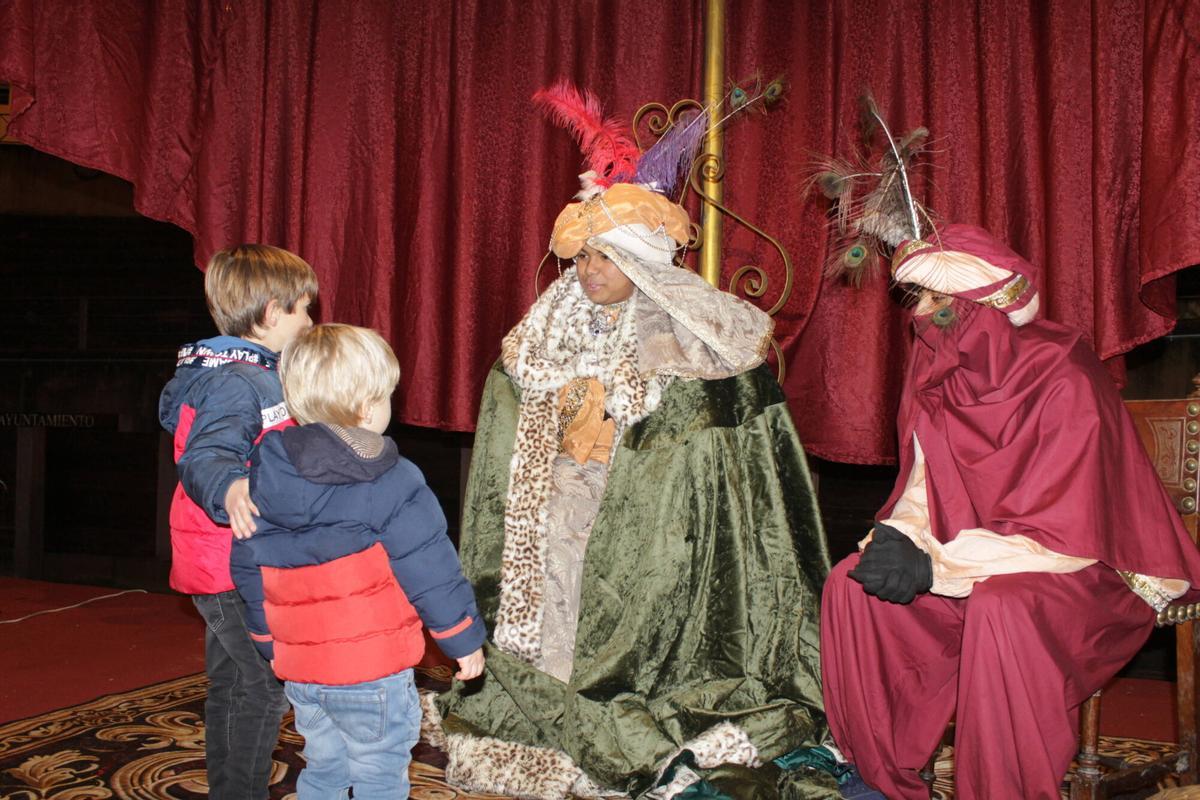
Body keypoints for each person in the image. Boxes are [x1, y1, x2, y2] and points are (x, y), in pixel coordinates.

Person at [432, 83, 833, 800]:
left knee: (614, 594)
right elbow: (516, 408)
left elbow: (705, 445)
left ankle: (616, 696)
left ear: (644, 266)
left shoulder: (682, 338)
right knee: (551, 584)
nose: (587, 273)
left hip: (641, 514)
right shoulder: (549, 324)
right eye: (581, 259)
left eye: (605, 261)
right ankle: (549, 688)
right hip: (560, 490)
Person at [818, 226, 1200, 799]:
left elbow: (1066, 536)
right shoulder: (934, 372)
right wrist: (898, 535)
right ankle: (879, 780)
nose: (917, 314)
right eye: (915, 298)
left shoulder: (1066, 375)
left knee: (1004, 605)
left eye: (933, 299)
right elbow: (924, 486)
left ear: (981, 302)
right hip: (976, 559)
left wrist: (935, 569)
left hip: (1089, 571)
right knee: (851, 584)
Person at [230, 323, 486, 800]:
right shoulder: (392, 480)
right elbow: (430, 568)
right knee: (379, 775)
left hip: (303, 669)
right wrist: (462, 637)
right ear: (369, 408)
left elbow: (249, 568)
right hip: (373, 669)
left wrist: (268, 640)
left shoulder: (264, 478)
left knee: (324, 768)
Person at [158, 243, 316, 800]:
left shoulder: (239, 373)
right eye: (303, 309)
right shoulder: (238, 382)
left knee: (232, 683)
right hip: (230, 559)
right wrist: (229, 486)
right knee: (262, 688)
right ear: (272, 313)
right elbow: (208, 454)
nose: (310, 320)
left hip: (218, 558)